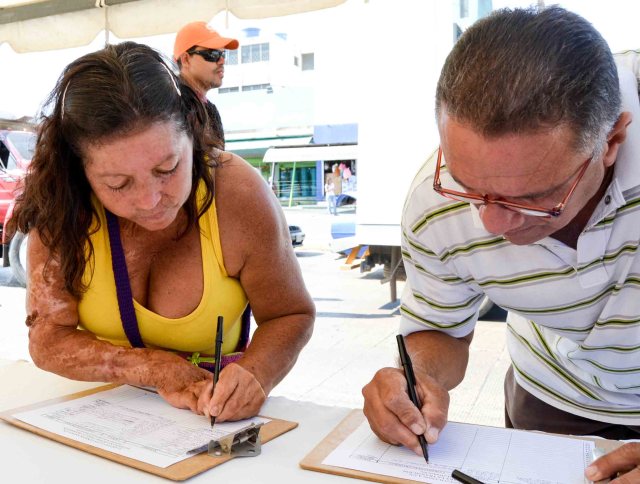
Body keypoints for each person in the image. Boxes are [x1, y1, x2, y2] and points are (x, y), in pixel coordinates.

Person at [361, 7, 640, 482]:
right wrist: (421, 378)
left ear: (611, 139)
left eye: (533, 197)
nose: (490, 222)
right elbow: (440, 329)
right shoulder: (435, 202)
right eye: (466, 184)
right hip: (551, 396)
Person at [9, 42, 315, 423]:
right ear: (81, 171)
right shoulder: (63, 207)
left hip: (208, 418)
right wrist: (154, 368)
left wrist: (256, 374)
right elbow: (48, 340)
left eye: (168, 167)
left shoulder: (237, 193)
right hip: (96, 418)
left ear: (192, 131)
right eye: (118, 183)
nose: (151, 200)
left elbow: (290, 313)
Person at [173, 21, 239, 148]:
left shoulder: (209, 108)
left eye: (223, 54)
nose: (222, 61)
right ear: (186, 59)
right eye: (213, 54)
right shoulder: (172, 104)